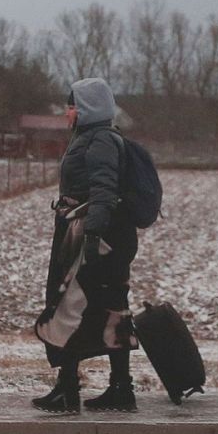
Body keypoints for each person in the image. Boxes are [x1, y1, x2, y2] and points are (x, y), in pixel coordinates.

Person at [32, 77, 139, 414]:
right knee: (100, 308)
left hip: (96, 238)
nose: (68, 113)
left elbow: (105, 190)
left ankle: (74, 390)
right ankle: (114, 388)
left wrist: (92, 236)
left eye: (72, 106)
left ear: (87, 108)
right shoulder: (93, 137)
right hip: (94, 234)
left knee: (74, 306)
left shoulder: (101, 141)